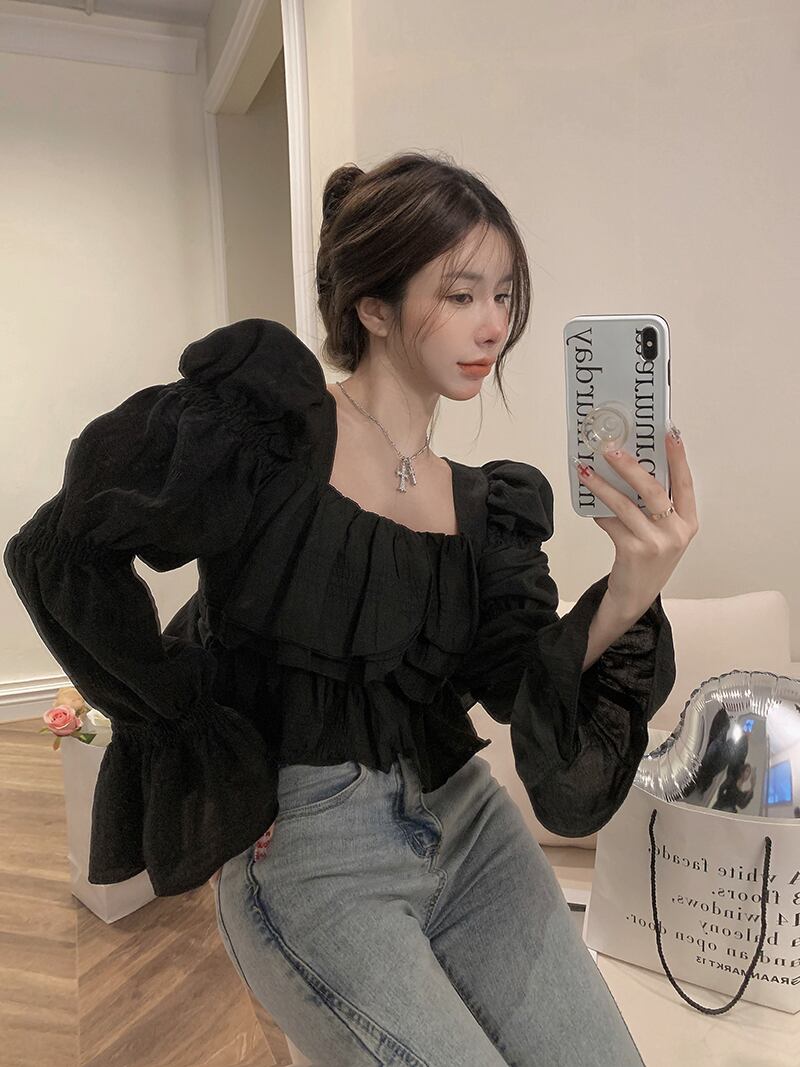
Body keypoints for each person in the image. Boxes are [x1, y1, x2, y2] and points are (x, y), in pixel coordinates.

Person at [4, 150, 697, 1066]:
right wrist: (196, 726)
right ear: (373, 307)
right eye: (460, 294)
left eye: (504, 295)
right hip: (311, 848)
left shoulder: (487, 508)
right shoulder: (264, 430)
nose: (494, 323)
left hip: (468, 826)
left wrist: (634, 585)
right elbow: (62, 551)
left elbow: (526, 695)